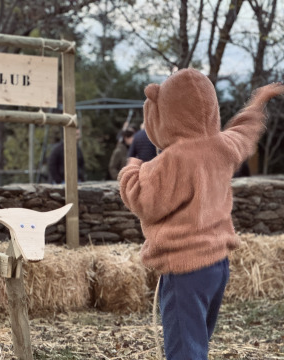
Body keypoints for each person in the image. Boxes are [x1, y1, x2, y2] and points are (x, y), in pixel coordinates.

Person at [117, 68, 284, 360]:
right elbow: (244, 132)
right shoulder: (221, 146)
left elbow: (142, 199)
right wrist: (258, 102)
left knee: (184, 349)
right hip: (216, 267)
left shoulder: (173, 160)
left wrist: (131, 168)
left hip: (185, 269)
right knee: (197, 340)